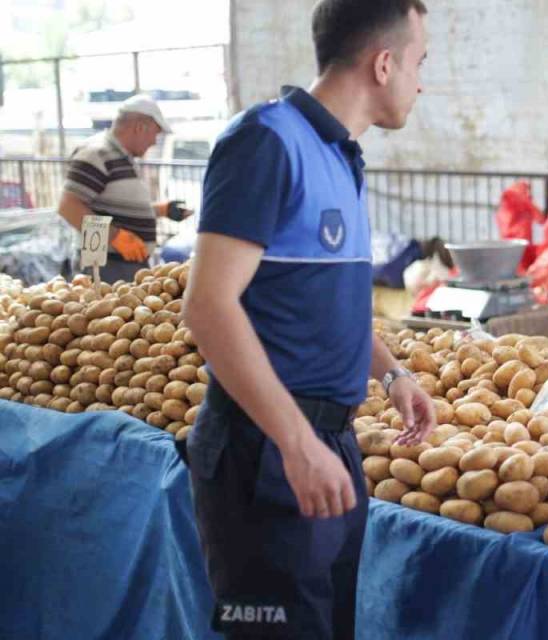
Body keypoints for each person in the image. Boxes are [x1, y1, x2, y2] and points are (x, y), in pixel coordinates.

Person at [180, 1, 434, 638]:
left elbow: (324, 306)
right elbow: (208, 305)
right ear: (383, 64)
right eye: (419, 63)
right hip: (264, 454)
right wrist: (295, 442)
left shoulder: (339, 156)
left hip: (328, 445)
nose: (422, 82)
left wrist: (393, 374)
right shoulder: (265, 142)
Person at [57, 94, 191, 283]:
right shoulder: (96, 153)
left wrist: (162, 210)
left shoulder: (119, 156)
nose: (154, 141)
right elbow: (68, 207)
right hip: (107, 266)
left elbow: (113, 208)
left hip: (122, 264)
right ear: (139, 128)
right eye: (155, 133)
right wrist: (115, 237)